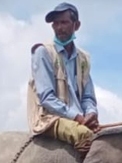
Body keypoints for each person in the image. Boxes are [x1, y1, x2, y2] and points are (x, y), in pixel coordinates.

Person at [28, 2, 99, 152]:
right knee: (84, 135)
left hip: (78, 120)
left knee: (110, 139)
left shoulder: (83, 59)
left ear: (76, 25)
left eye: (64, 22)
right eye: (55, 24)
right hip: (50, 119)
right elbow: (46, 98)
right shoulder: (43, 52)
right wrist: (77, 117)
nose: (59, 28)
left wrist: (91, 113)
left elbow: (88, 97)